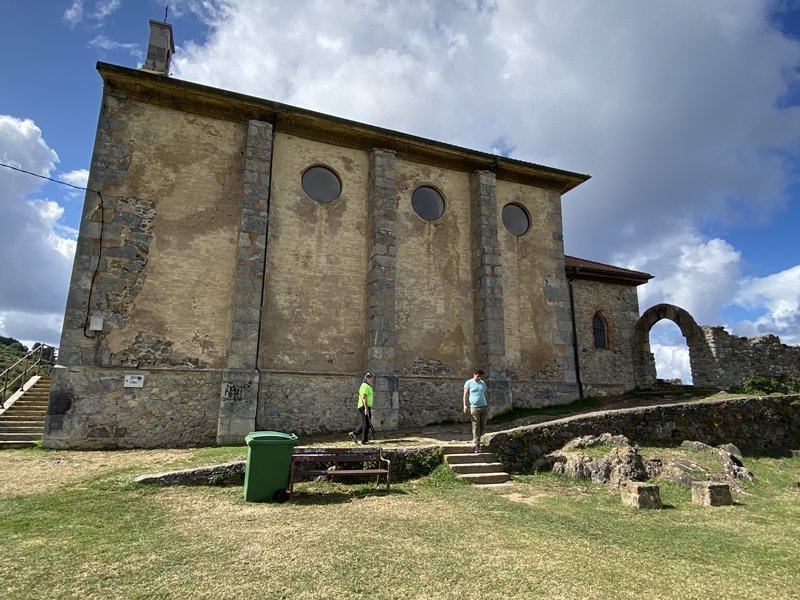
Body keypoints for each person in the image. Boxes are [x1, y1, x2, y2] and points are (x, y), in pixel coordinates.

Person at [462, 369, 488, 452]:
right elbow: (465, 395)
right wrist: (465, 405)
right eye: (478, 376)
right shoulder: (468, 382)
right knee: (476, 425)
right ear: (474, 374)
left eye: (480, 376)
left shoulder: (482, 383)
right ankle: (477, 444)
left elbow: (485, 393)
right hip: (474, 407)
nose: (479, 378)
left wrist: (488, 403)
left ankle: (479, 439)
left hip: (484, 406)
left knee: (483, 425)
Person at [349, 372, 375, 444]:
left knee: (366, 423)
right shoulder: (365, 386)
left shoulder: (368, 386)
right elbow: (364, 397)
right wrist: (366, 408)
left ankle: (355, 434)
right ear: (367, 379)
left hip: (365, 406)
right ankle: (364, 440)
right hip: (364, 406)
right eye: (371, 378)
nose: (372, 380)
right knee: (366, 423)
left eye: (373, 378)